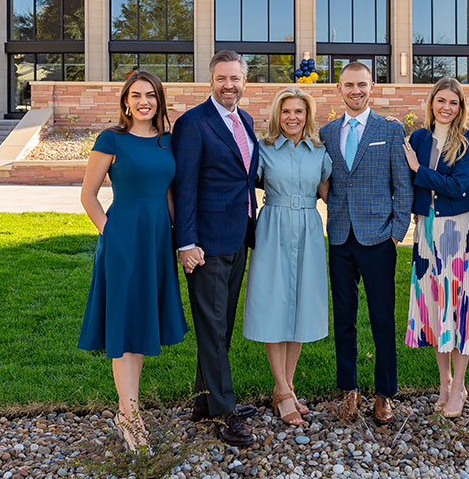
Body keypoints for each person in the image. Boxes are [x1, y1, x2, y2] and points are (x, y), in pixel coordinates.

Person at [78, 70, 188, 453]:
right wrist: (111, 233)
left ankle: (130, 409)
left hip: (157, 240)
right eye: (136, 95)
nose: (144, 101)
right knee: (125, 326)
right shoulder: (112, 139)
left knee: (142, 323)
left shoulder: (166, 142)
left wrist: (180, 240)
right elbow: (88, 196)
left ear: (159, 100)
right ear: (126, 100)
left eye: (151, 95)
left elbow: (171, 196)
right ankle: (129, 416)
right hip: (124, 239)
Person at [171, 50, 260, 447]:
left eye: (235, 79)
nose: (229, 85)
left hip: (238, 236)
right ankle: (226, 412)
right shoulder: (192, 123)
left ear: (245, 81)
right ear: (211, 80)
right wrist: (186, 243)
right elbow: (184, 186)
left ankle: (203, 402)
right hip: (204, 244)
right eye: (222, 78)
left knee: (219, 325)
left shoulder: (246, 120)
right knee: (212, 325)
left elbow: (243, 177)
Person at [319, 61, 412, 425]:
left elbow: (401, 184)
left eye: (362, 85)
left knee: (381, 318)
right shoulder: (327, 133)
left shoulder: (389, 130)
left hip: (378, 237)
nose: (355, 91)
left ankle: (384, 393)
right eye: (348, 85)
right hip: (340, 235)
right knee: (344, 317)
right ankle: (349, 390)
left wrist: (397, 230)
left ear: (372, 87)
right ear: (339, 89)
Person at [242, 86, 332, 426]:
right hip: (273, 228)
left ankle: (288, 385)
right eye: (286, 111)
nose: (292, 117)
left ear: (307, 116)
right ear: (277, 116)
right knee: (274, 304)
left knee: (299, 307)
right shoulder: (262, 150)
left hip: (309, 229)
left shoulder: (319, 152)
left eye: (298, 111)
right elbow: (245, 185)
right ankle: (281, 391)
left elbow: (328, 193)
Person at [402, 77, 469, 420]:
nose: (446, 107)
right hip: (425, 231)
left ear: (461, 107)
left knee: (460, 306)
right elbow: (405, 180)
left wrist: (419, 170)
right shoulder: (418, 139)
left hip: (458, 232)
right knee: (435, 305)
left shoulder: (468, 141)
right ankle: (445, 382)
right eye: (441, 101)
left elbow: (458, 186)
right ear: (432, 103)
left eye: (453, 102)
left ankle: (461, 385)